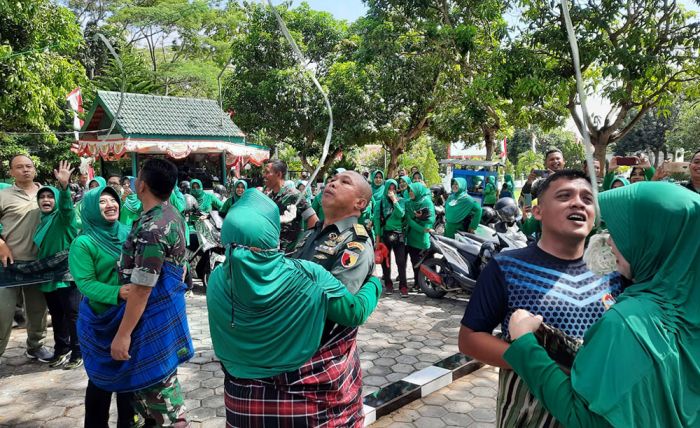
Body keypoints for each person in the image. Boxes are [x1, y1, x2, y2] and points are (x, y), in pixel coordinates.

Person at [503, 182, 699, 427]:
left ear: (652, 239)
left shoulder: (627, 325)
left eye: (619, 234)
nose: (610, 243)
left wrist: (524, 343)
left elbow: (584, 418)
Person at [458, 170, 623, 428]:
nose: (578, 202)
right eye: (564, 196)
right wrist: (543, 365)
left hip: (599, 413)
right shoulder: (506, 267)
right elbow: (470, 339)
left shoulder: (614, 272)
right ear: (537, 212)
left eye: (588, 199)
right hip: (529, 414)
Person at [207, 189, 381, 427]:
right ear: (271, 233)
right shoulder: (308, 275)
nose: (332, 184)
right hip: (304, 406)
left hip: (242, 404)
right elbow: (354, 312)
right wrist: (374, 283)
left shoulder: (217, 278)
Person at [85, 159, 193, 426]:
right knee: (155, 394)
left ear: (141, 185)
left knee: (162, 400)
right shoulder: (171, 214)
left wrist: (122, 335)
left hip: (149, 319)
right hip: (162, 312)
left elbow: (143, 289)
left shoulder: (152, 229)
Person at [293, 170, 378, 424]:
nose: (332, 183)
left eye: (345, 182)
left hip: (317, 360)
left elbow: (339, 306)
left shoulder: (356, 243)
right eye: (332, 180)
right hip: (290, 352)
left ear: (359, 203)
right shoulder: (311, 233)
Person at [69, 185, 137, 428]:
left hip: (129, 317)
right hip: (100, 321)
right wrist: (118, 292)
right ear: (90, 209)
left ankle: (128, 423)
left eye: (112, 200)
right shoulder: (83, 243)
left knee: (130, 378)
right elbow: (85, 283)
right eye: (101, 201)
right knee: (101, 380)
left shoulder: (129, 232)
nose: (110, 205)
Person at [0, 155, 51, 361]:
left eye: (29, 166)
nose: (25, 170)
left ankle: (35, 346)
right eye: (19, 167)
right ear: (11, 172)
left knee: (38, 310)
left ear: (35, 170)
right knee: (3, 313)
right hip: (8, 264)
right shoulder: (3, 195)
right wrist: (1, 244)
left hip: (38, 264)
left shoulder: (46, 194)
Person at [35, 161, 82, 369]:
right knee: (56, 314)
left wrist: (63, 188)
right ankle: (62, 349)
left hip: (66, 275)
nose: (46, 200)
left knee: (73, 315)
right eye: (42, 197)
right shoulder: (40, 221)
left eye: (49, 196)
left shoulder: (64, 218)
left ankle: (78, 352)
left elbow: (66, 208)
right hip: (48, 276)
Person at [263, 160, 318, 254]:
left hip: (289, 254)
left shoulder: (294, 195)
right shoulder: (270, 197)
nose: (264, 175)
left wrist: (306, 246)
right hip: (272, 250)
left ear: (279, 174)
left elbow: (313, 220)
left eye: (267, 172)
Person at [372, 179, 407, 295]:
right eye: (389, 188)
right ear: (386, 188)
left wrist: (394, 201)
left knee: (401, 261)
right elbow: (376, 220)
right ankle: (388, 283)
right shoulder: (380, 202)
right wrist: (377, 238)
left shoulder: (401, 200)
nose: (391, 190)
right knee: (386, 261)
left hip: (399, 234)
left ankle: (403, 285)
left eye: (393, 188)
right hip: (385, 234)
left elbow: (401, 214)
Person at [405, 182, 435, 295]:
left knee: (427, 262)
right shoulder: (408, 203)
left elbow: (430, 219)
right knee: (415, 263)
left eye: (412, 190)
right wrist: (422, 228)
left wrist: (424, 227)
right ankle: (417, 284)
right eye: (409, 191)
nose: (410, 192)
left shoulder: (427, 202)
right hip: (412, 237)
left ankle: (432, 284)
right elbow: (409, 220)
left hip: (423, 239)